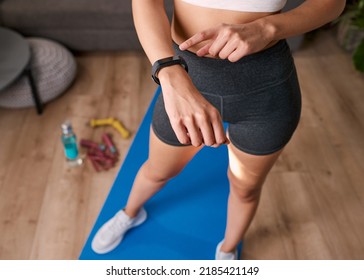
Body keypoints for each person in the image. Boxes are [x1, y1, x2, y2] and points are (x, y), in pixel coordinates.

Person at [91, 0, 345, 259]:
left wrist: (268, 27)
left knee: (245, 188)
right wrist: (167, 70)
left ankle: (227, 250)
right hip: (186, 75)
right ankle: (130, 213)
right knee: (158, 171)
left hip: (265, 88)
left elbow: (333, 3)